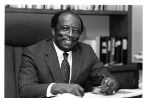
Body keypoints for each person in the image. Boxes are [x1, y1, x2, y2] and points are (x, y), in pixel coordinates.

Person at [18, 10, 119, 98]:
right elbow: (26, 90)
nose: (70, 35)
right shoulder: (33, 52)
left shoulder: (86, 51)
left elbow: (106, 77)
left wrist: (111, 83)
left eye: (76, 31)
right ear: (53, 31)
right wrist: (59, 87)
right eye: (65, 28)